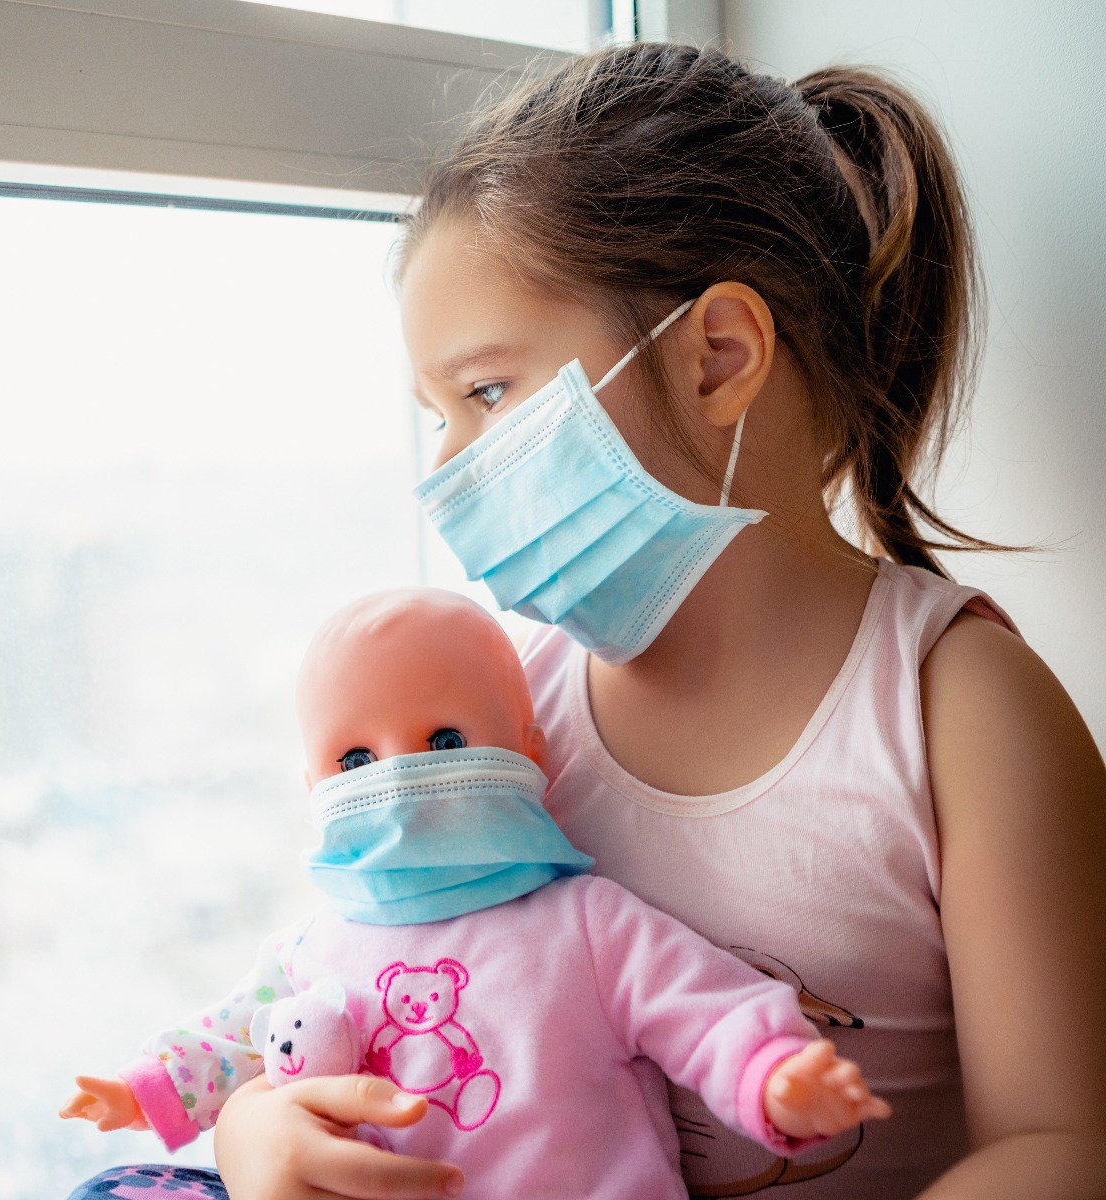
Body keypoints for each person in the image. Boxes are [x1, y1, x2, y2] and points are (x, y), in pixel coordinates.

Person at [71, 41, 1106, 1200]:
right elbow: (364, 967)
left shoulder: (960, 709)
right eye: (436, 415)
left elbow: (1063, 1144)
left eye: (488, 393)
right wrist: (255, 1131)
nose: (451, 464)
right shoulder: (516, 705)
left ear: (718, 357)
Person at [62, 589, 890, 1198]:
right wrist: (145, 1089)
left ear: (532, 751)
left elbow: (704, 1008)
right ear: (312, 784)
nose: (399, 772)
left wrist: (773, 1074)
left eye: (445, 740)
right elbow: (235, 1036)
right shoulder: (309, 950)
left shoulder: (585, 926)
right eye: (355, 761)